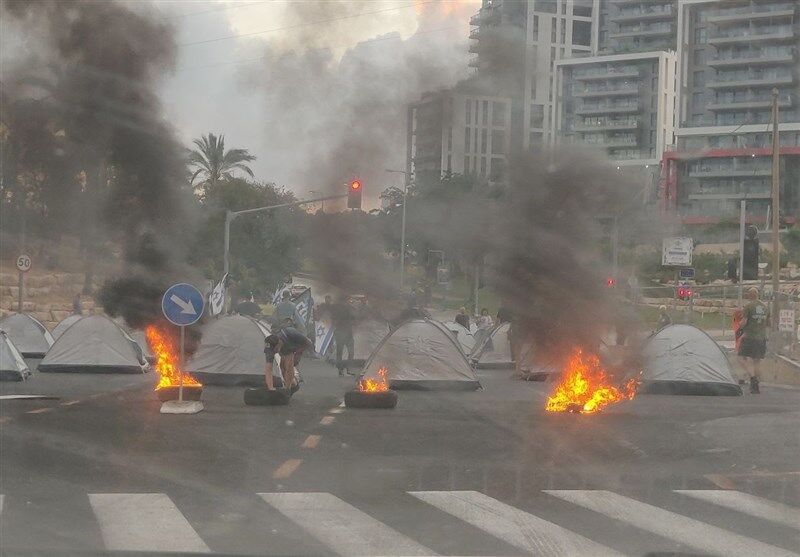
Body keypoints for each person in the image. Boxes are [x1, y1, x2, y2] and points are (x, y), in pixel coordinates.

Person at [738, 287, 769, 394]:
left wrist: (740, 327)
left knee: (741, 358)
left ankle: (752, 378)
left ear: (749, 295)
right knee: (757, 360)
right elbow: (767, 323)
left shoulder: (748, 306)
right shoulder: (765, 307)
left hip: (749, 336)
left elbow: (744, 322)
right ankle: (756, 385)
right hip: (761, 338)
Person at [264, 326, 313, 391]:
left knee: (288, 365)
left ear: (279, 343)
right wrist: (270, 388)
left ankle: (288, 388)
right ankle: (293, 384)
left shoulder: (292, 334)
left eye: (275, 350)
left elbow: (309, 343)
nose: (275, 353)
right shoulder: (269, 348)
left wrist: (298, 353)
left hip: (295, 345)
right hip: (286, 347)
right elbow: (268, 369)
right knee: (282, 367)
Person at [331, 298, 355, 376]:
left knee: (349, 352)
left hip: (347, 333)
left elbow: (354, 319)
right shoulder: (338, 311)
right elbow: (333, 321)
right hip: (341, 333)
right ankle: (342, 369)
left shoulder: (349, 310)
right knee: (341, 352)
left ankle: (345, 368)